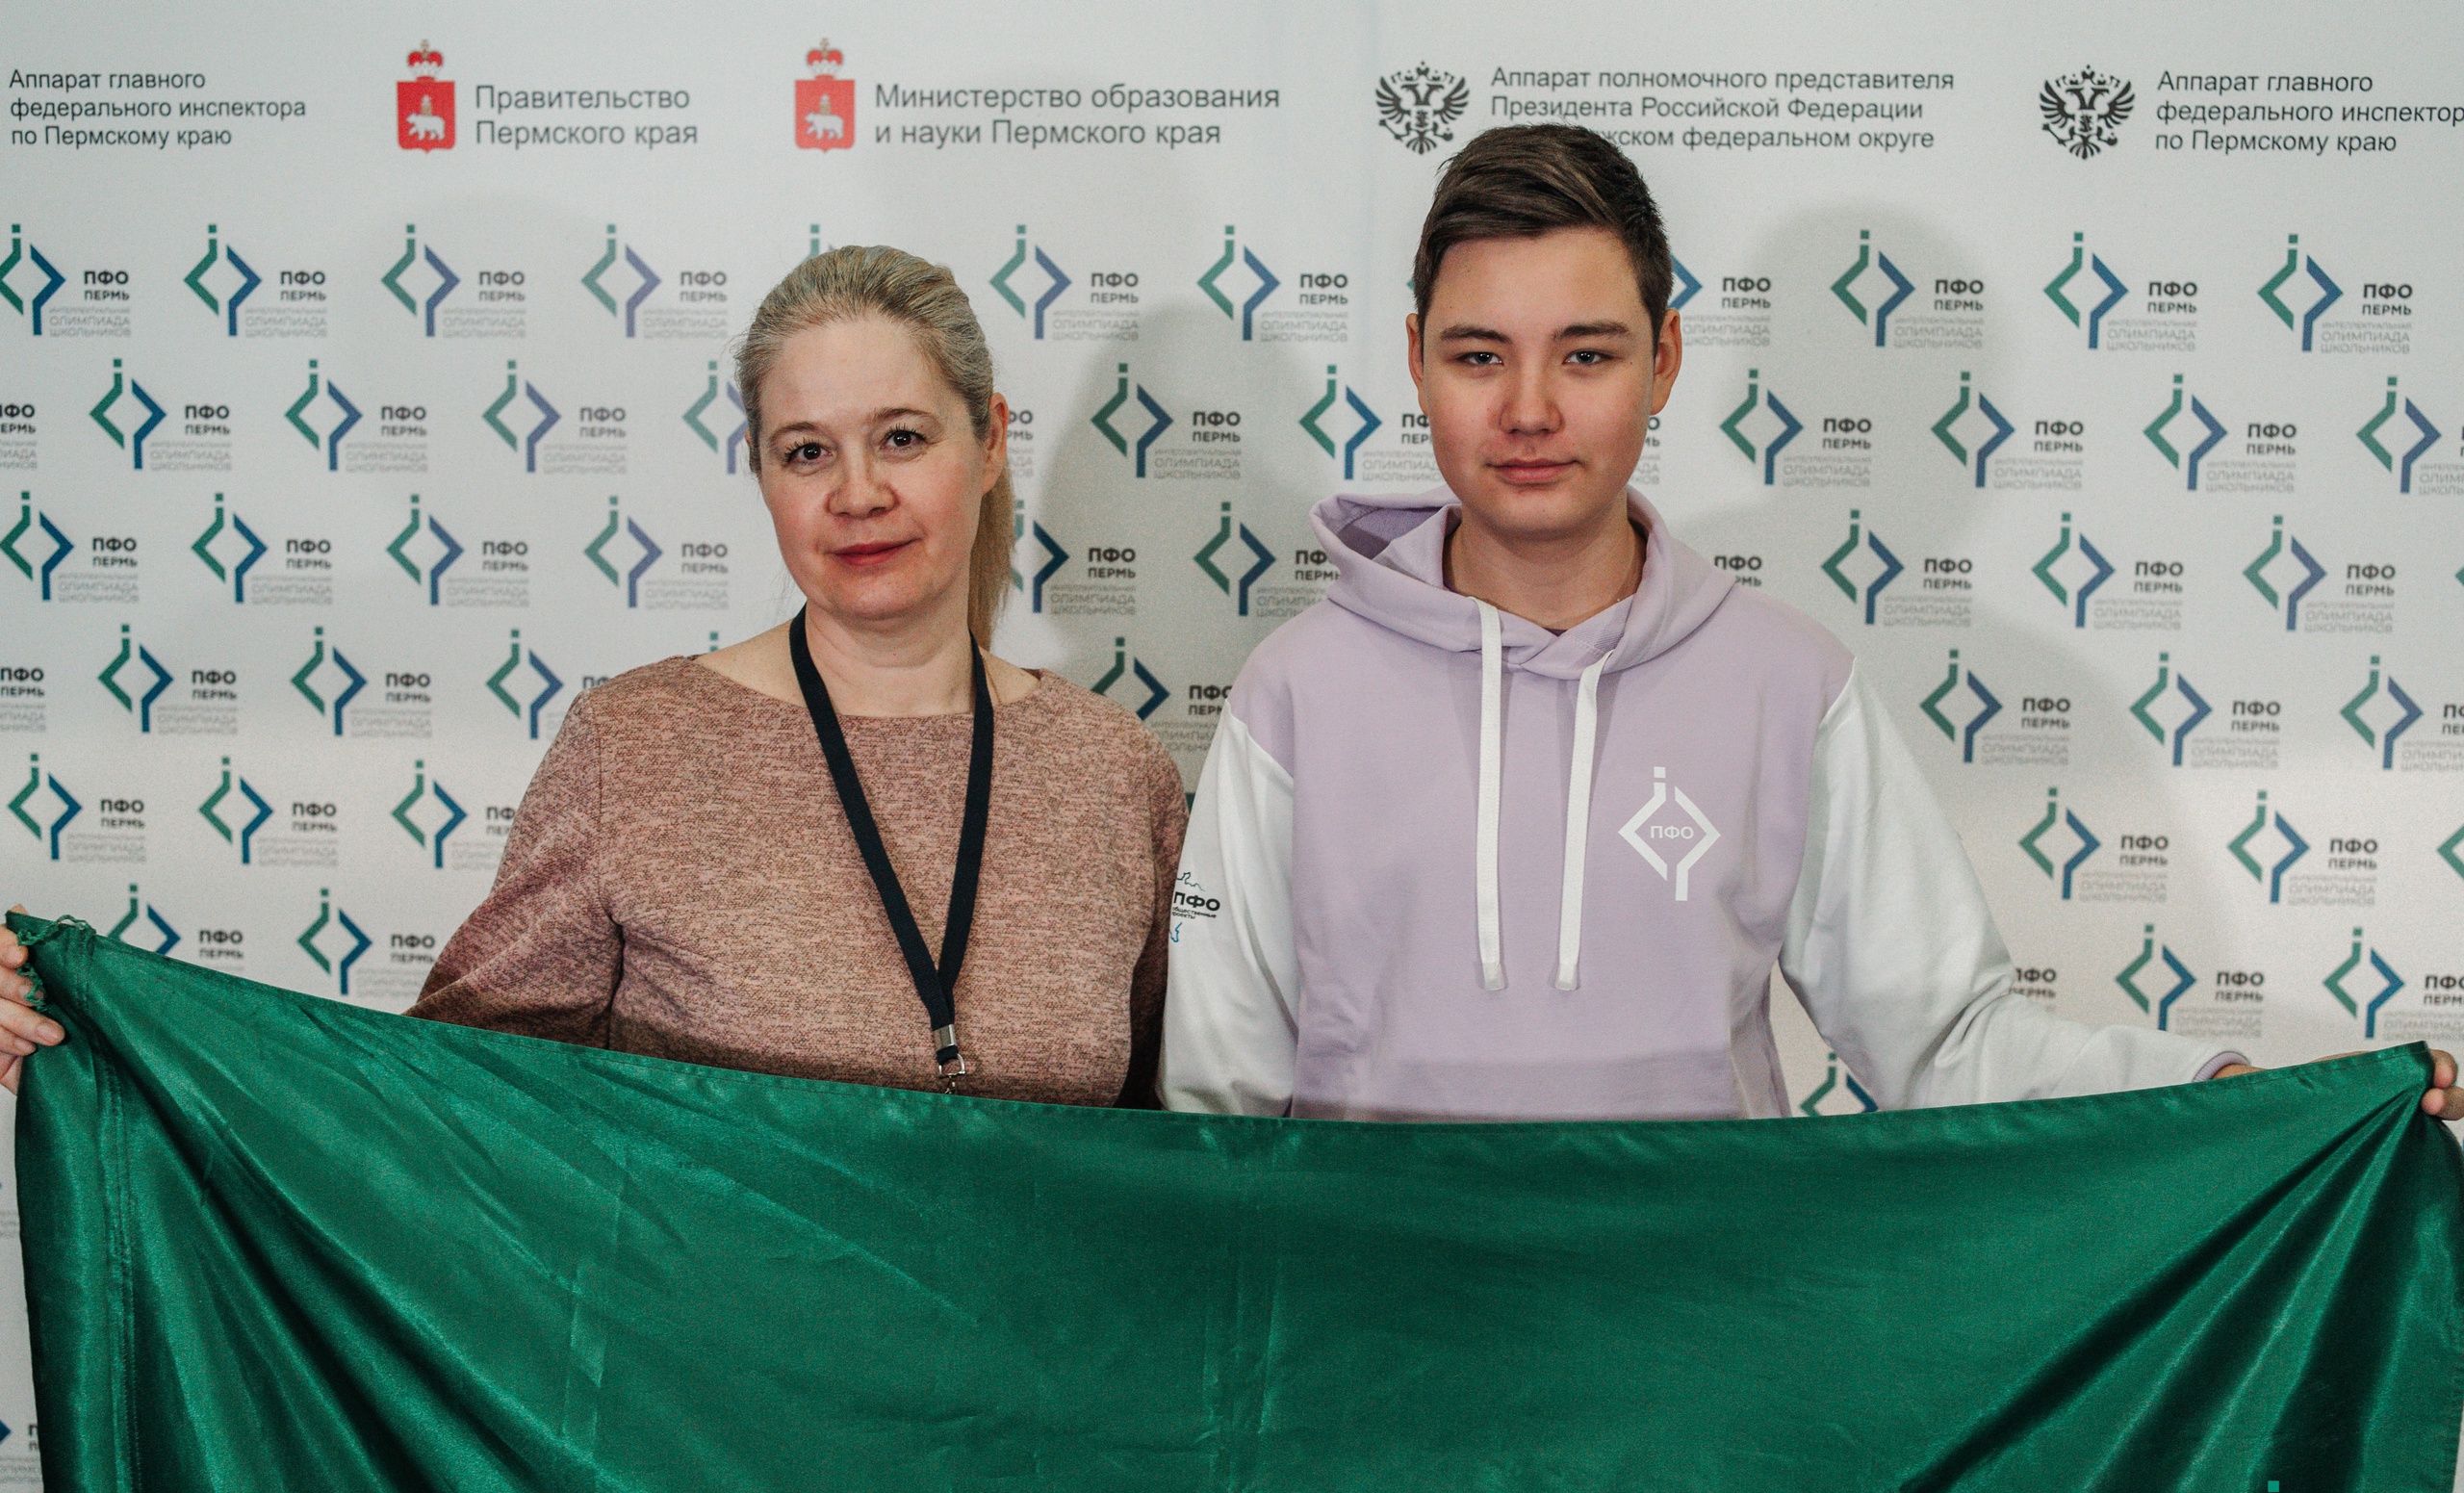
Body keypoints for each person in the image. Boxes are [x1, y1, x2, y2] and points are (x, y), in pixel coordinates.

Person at [1158, 123, 2459, 1122]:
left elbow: (1947, 1044)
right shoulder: (1294, 693)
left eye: (1588, 353)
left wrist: (2229, 1098)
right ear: (1415, 361)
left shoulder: (1788, 683)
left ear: (1666, 361)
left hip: (1708, 1343)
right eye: (1479, 354)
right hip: (1381, 1348)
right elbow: (1217, 1111)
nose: (1532, 408)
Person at [3, 245, 1187, 1108]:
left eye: (903, 438)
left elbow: (1192, 1157)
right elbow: (441, 1103)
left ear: (990, 440)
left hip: (1034, 1381)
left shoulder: (1111, 773)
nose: (857, 494)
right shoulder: (639, 744)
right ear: (761, 473)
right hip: (704, 1383)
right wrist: (97, 1041)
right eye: (806, 451)